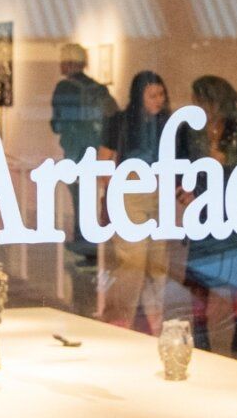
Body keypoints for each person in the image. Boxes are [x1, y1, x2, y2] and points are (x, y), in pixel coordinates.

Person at [182, 74, 237, 358]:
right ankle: (201, 331)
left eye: (202, 100)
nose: (199, 105)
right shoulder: (190, 127)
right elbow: (178, 162)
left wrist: (228, 159)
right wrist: (182, 189)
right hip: (204, 205)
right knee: (200, 270)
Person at [100, 70, 187, 333]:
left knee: (158, 262)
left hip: (159, 190)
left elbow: (178, 162)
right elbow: (104, 160)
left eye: (161, 94)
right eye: (152, 95)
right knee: (133, 260)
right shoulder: (121, 121)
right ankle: (120, 320)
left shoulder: (170, 125)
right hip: (131, 190)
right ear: (140, 96)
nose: (158, 100)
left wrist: (179, 190)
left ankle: (157, 323)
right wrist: (113, 191)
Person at [49, 44, 115, 285]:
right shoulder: (98, 88)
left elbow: (57, 123)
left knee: (80, 199)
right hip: (99, 150)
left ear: (67, 63)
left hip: (77, 152)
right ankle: (90, 246)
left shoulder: (64, 88)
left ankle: (87, 247)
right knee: (90, 199)